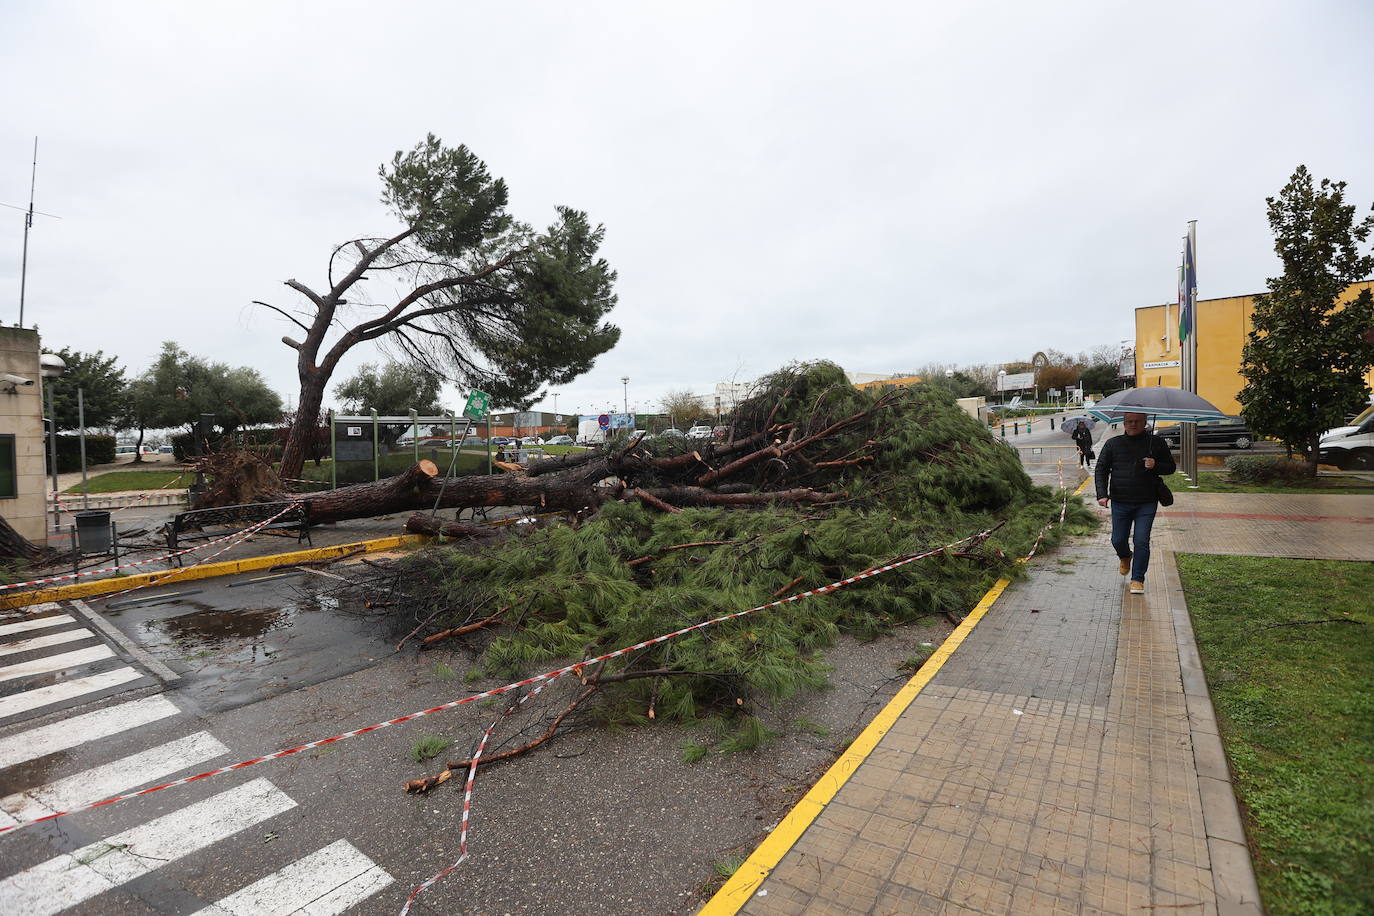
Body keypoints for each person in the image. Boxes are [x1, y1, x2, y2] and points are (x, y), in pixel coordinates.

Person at [1094, 412, 1175, 595]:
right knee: (1117, 539)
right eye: (1129, 421)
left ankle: (1138, 579)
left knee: (1141, 541)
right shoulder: (1113, 444)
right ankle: (1125, 556)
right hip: (1120, 501)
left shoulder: (1156, 443)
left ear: (1145, 422)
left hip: (1146, 501)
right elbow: (1101, 469)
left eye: (1137, 421)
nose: (1133, 424)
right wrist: (1102, 494)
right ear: (1124, 423)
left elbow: (1170, 467)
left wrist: (1155, 465)